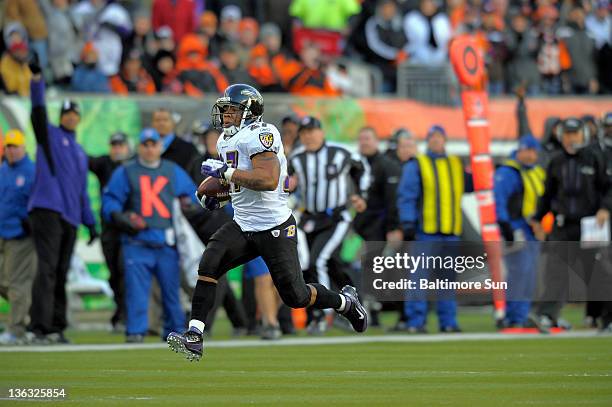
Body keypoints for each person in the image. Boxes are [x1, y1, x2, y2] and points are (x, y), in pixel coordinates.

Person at [167, 84, 368, 361]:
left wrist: (225, 172)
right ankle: (195, 335)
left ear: (248, 112)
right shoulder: (225, 140)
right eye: (224, 109)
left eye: (231, 109)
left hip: (274, 226)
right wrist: (216, 194)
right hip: (243, 224)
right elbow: (237, 183)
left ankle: (345, 302)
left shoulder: (263, 134)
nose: (225, 114)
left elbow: (267, 180)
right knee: (209, 264)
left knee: (296, 296)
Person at [102, 128, 197, 343]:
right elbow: (109, 202)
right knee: (136, 292)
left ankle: (174, 330)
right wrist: (123, 217)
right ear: (139, 147)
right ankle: (136, 330)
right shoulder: (127, 171)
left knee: (171, 292)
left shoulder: (172, 170)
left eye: (153, 144)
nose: (149, 148)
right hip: (137, 241)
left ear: (160, 147)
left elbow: (193, 194)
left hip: (166, 242)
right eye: (145, 144)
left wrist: (188, 205)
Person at [27, 61, 98, 344]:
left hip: (69, 217)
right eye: (66, 113)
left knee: (59, 271)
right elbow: (37, 112)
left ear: (78, 119)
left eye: (74, 114)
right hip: (47, 209)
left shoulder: (80, 152)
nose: (70, 117)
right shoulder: (49, 137)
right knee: (47, 269)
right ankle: (38, 327)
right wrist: (36, 80)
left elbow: (81, 191)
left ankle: (56, 326)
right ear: (60, 116)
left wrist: (91, 223)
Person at [288, 116, 370, 334]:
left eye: (312, 131)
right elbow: (285, 183)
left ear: (321, 132)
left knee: (318, 261)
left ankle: (323, 316)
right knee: (325, 263)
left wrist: (360, 195)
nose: (309, 136)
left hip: (336, 217)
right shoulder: (296, 158)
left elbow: (361, 168)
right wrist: (288, 186)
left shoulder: (339, 152)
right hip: (309, 219)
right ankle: (351, 301)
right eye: (304, 132)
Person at [529, 118, 612, 333]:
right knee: (556, 271)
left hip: (591, 224)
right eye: (567, 134)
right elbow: (547, 194)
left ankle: (608, 319)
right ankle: (547, 315)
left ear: (582, 135)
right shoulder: (556, 161)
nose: (570, 138)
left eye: (574, 134)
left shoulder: (596, 157)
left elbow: (608, 188)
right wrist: (538, 218)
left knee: (598, 272)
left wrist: (605, 208)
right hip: (563, 224)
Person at [397, 125, 473, 333]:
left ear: (445, 140)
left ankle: (448, 322)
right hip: (426, 232)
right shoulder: (418, 164)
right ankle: (416, 322)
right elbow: (407, 195)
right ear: (428, 140)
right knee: (418, 278)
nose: (436, 141)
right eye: (432, 137)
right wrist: (408, 223)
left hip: (451, 231)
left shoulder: (456, 164)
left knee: (447, 280)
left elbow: (472, 185)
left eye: (439, 137)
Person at [494, 135, 545, 328]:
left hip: (532, 229)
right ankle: (513, 316)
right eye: (528, 151)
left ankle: (521, 315)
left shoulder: (537, 172)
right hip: (515, 228)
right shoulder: (508, 172)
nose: (531, 155)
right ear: (520, 151)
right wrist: (506, 228)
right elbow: (499, 201)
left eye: (534, 152)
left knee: (530, 274)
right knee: (518, 272)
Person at [88, 132, 132, 331]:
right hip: (109, 230)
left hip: (129, 229)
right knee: (114, 274)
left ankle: (125, 315)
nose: (117, 148)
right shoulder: (104, 164)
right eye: (114, 145)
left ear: (127, 147)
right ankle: (121, 312)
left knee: (125, 272)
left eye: (120, 145)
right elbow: (83, 160)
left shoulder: (134, 165)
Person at [0, 130, 37, 345]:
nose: (12, 151)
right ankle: (27, 312)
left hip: (20, 235)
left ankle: (16, 330)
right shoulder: (3, 170)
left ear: (23, 148)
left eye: (15, 146)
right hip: (2, 232)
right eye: (9, 147)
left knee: (16, 283)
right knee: (6, 283)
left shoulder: (32, 172)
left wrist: (30, 221)